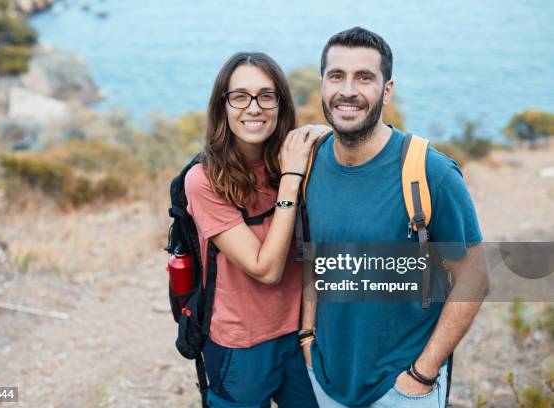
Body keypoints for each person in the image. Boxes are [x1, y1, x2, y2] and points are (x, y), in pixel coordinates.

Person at [300, 27, 489, 407]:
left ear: (386, 91)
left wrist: (422, 373)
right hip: (326, 381)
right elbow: (314, 258)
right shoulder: (307, 164)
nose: (348, 90)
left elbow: (474, 277)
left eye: (364, 77)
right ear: (322, 85)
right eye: (336, 76)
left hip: (400, 389)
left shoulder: (430, 172)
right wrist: (307, 335)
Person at [185, 51, 326, 407]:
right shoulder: (203, 180)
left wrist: (324, 135)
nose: (253, 108)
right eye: (239, 96)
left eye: (266, 96)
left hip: (301, 335)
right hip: (240, 345)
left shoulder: (297, 156)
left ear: (280, 104)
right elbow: (266, 269)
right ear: (223, 106)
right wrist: (292, 179)